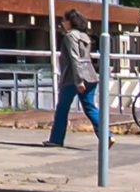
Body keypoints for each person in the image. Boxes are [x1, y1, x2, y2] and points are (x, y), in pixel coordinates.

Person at [44, 8, 105, 146]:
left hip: (73, 78)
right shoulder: (85, 37)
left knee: (62, 109)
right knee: (90, 108)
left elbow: (74, 58)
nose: (63, 23)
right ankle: (106, 135)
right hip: (90, 75)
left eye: (64, 20)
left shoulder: (70, 36)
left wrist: (79, 81)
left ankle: (56, 140)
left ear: (70, 22)